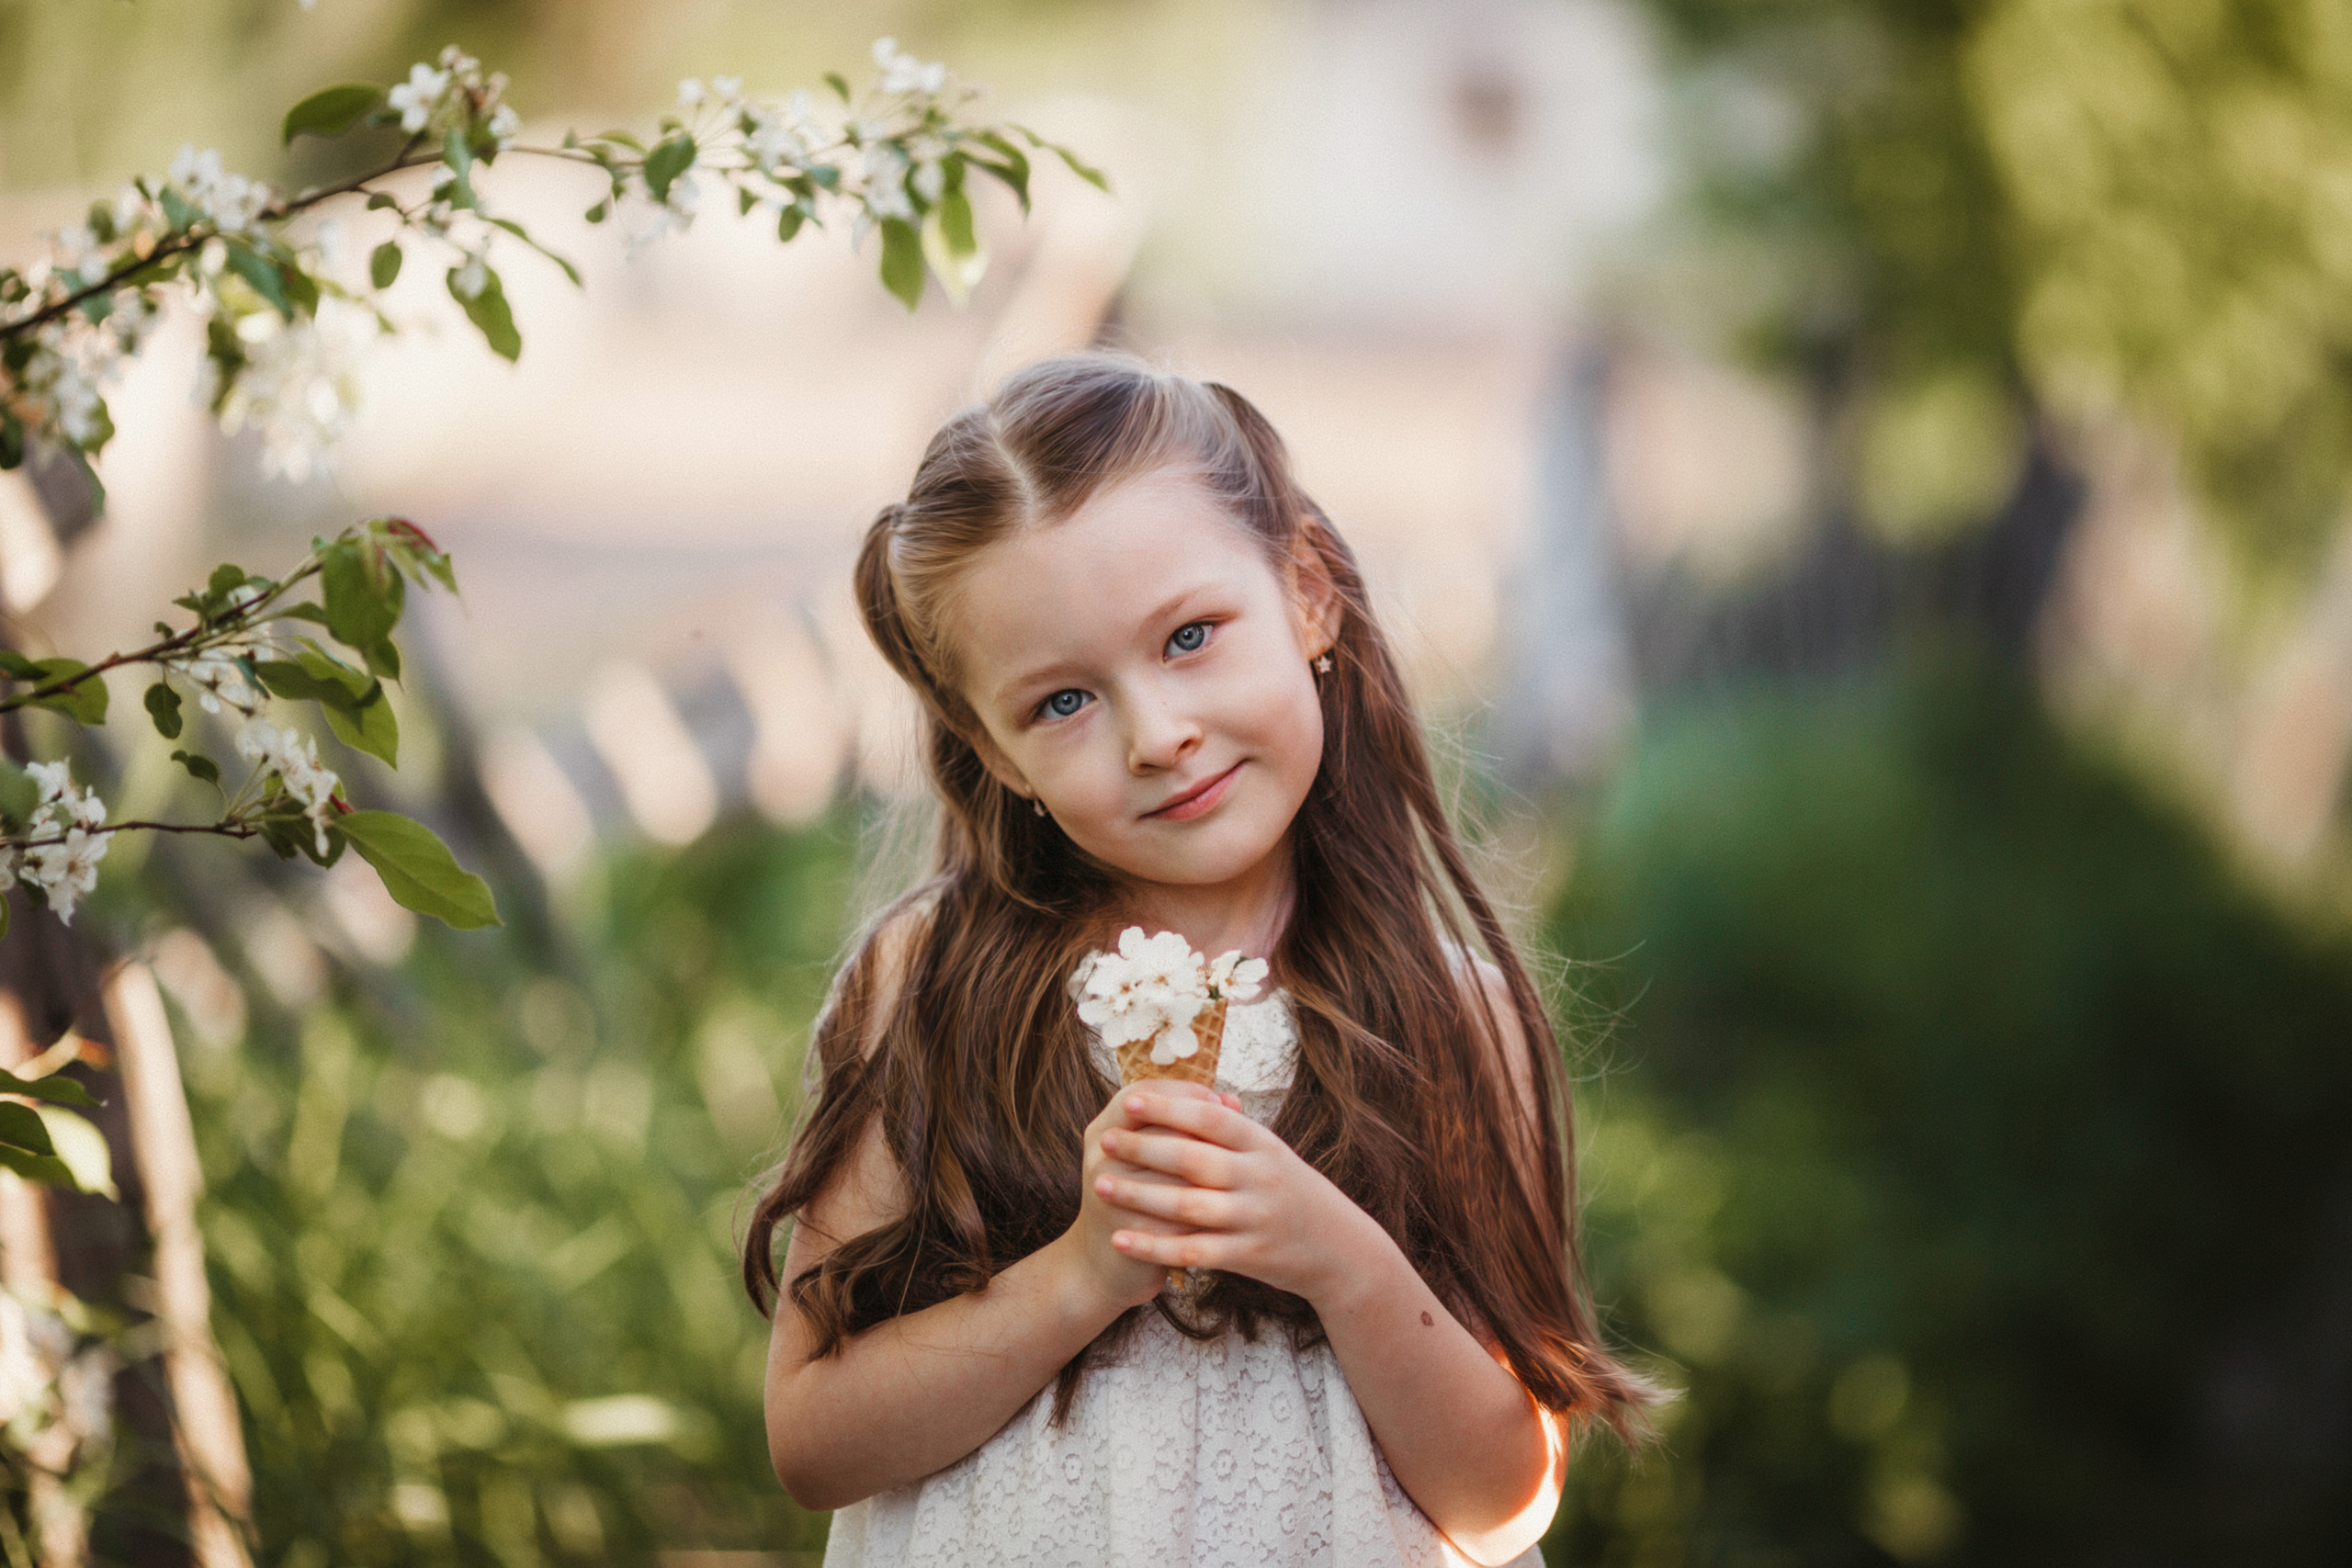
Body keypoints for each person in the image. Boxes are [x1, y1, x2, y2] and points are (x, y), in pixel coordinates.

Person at [741, 351, 1664, 1567]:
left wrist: (1338, 1258)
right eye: (1062, 703)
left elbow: (1502, 1499)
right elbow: (814, 1442)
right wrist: (1075, 1280)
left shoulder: (1451, 1017)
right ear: (993, 749)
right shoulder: (933, 983)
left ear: (1311, 594)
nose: (1157, 735)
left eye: (1189, 636)